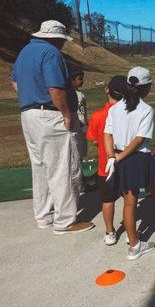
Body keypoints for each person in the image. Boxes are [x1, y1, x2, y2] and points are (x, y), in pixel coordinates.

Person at [10, 20, 94, 234]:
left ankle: (44, 216)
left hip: (29, 114)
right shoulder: (51, 53)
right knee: (62, 167)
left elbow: (15, 83)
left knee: (40, 167)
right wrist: (67, 114)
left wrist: (31, 95)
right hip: (51, 114)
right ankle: (65, 221)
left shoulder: (25, 52)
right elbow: (55, 88)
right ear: (57, 39)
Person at [103, 67, 155, 260]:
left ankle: (134, 244)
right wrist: (118, 157)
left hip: (122, 157)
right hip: (140, 158)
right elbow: (138, 140)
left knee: (129, 202)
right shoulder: (146, 109)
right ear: (146, 87)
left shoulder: (114, 108)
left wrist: (113, 156)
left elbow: (107, 134)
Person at [85, 75, 127, 245]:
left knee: (107, 200)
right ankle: (130, 226)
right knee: (128, 198)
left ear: (107, 90)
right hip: (125, 163)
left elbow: (94, 139)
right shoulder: (128, 113)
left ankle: (110, 232)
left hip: (105, 165)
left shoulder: (98, 115)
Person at [70, 67, 88, 160]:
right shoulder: (78, 95)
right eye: (79, 79)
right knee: (78, 154)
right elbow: (81, 115)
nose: (82, 81)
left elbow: (84, 113)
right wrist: (84, 127)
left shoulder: (80, 94)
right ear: (72, 79)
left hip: (79, 126)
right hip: (79, 128)